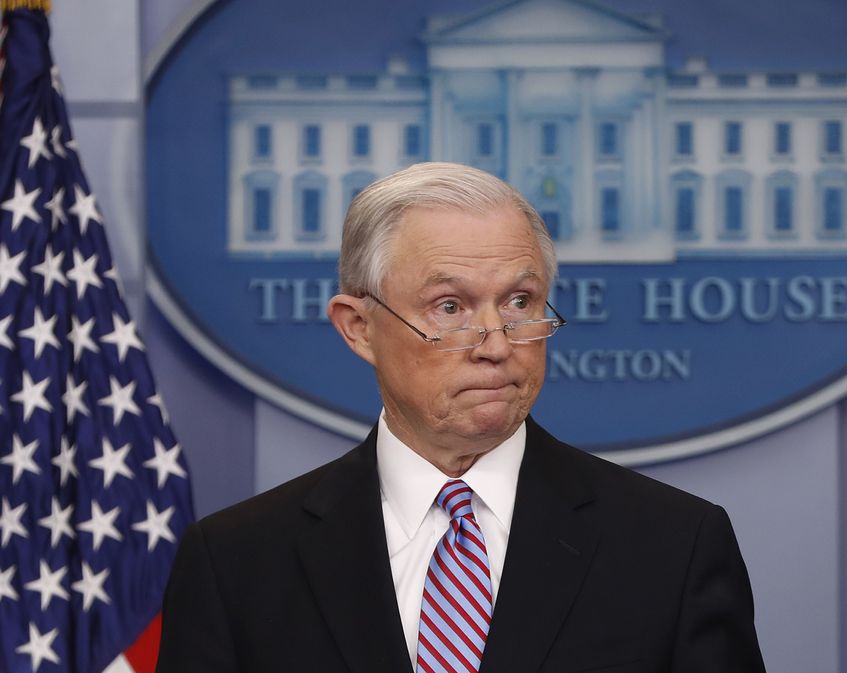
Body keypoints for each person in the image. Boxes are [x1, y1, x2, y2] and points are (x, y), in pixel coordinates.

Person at [156, 162, 766, 672]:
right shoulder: (236, 561)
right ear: (359, 327)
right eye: (450, 306)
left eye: (519, 302)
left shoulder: (674, 545)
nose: (497, 343)